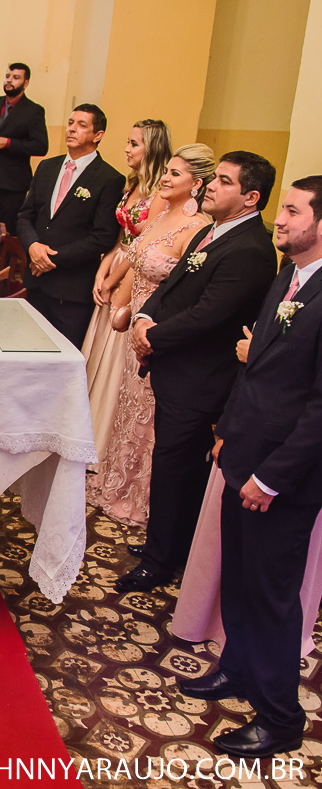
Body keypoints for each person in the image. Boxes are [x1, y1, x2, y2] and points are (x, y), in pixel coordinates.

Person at [176, 176, 322, 759]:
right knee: (238, 578)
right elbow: (256, 366)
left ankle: (281, 718)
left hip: (285, 477)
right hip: (245, 453)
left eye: (294, 211)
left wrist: (272, 476)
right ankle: (237, 669)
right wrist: (227, 433)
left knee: (271, 596)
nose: (280, 219)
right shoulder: (290, 275)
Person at [117, 151, 280, 593]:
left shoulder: (251, 250)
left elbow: (209, 314)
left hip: (202, 379)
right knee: (171, 463)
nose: (210, 186)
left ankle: (161, 561)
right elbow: (171, 286)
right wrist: (143, 317)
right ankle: (164, 544)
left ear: (250, 197)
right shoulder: (211, 230)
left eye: (224, 181)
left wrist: (154, 336)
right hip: (177, 366)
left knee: (177, 467)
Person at [87, 144, 214, 529]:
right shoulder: (160, 216)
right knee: (128, 405)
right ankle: (117, 480)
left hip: (159, 330)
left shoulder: (199, 229)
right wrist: (120, 299)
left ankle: (141, 496)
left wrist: (148, 320)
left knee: (150, 413)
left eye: (175, 174)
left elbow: (186, 290)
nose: (165, 178)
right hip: (135, 325)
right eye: (167, 171)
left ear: (196, 184)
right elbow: (134, 257)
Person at [81, 120, 172, 463]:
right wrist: (103, 269)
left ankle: (103, 439)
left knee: (116, 354)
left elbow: (142, 248)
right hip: (117, 260)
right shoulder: (131, 183)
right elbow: (121, 238)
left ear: (152, 148)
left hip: (135, 271)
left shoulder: (160, 194)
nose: (127, 149)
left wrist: (115, 280)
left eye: (134, 144)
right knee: (97, 348)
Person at [16, 104, 125, 346]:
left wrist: (49, 259)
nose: (72, 129)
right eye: (70, 123)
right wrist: (33, 246)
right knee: (28, 348)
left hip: (71, 288)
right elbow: (25, 215)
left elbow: (102, 236)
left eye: (81, 125)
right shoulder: (47, 167)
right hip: (36, 281)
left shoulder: (109, 178)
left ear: (98, 135)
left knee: (63, 353)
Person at [0, 63, 49, 232]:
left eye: (16, 78)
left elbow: (41, 146)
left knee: (5, 231)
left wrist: (8, 143)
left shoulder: (33, 111)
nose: (9, 81)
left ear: (25, 83)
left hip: (12, 183)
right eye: (8, 76)